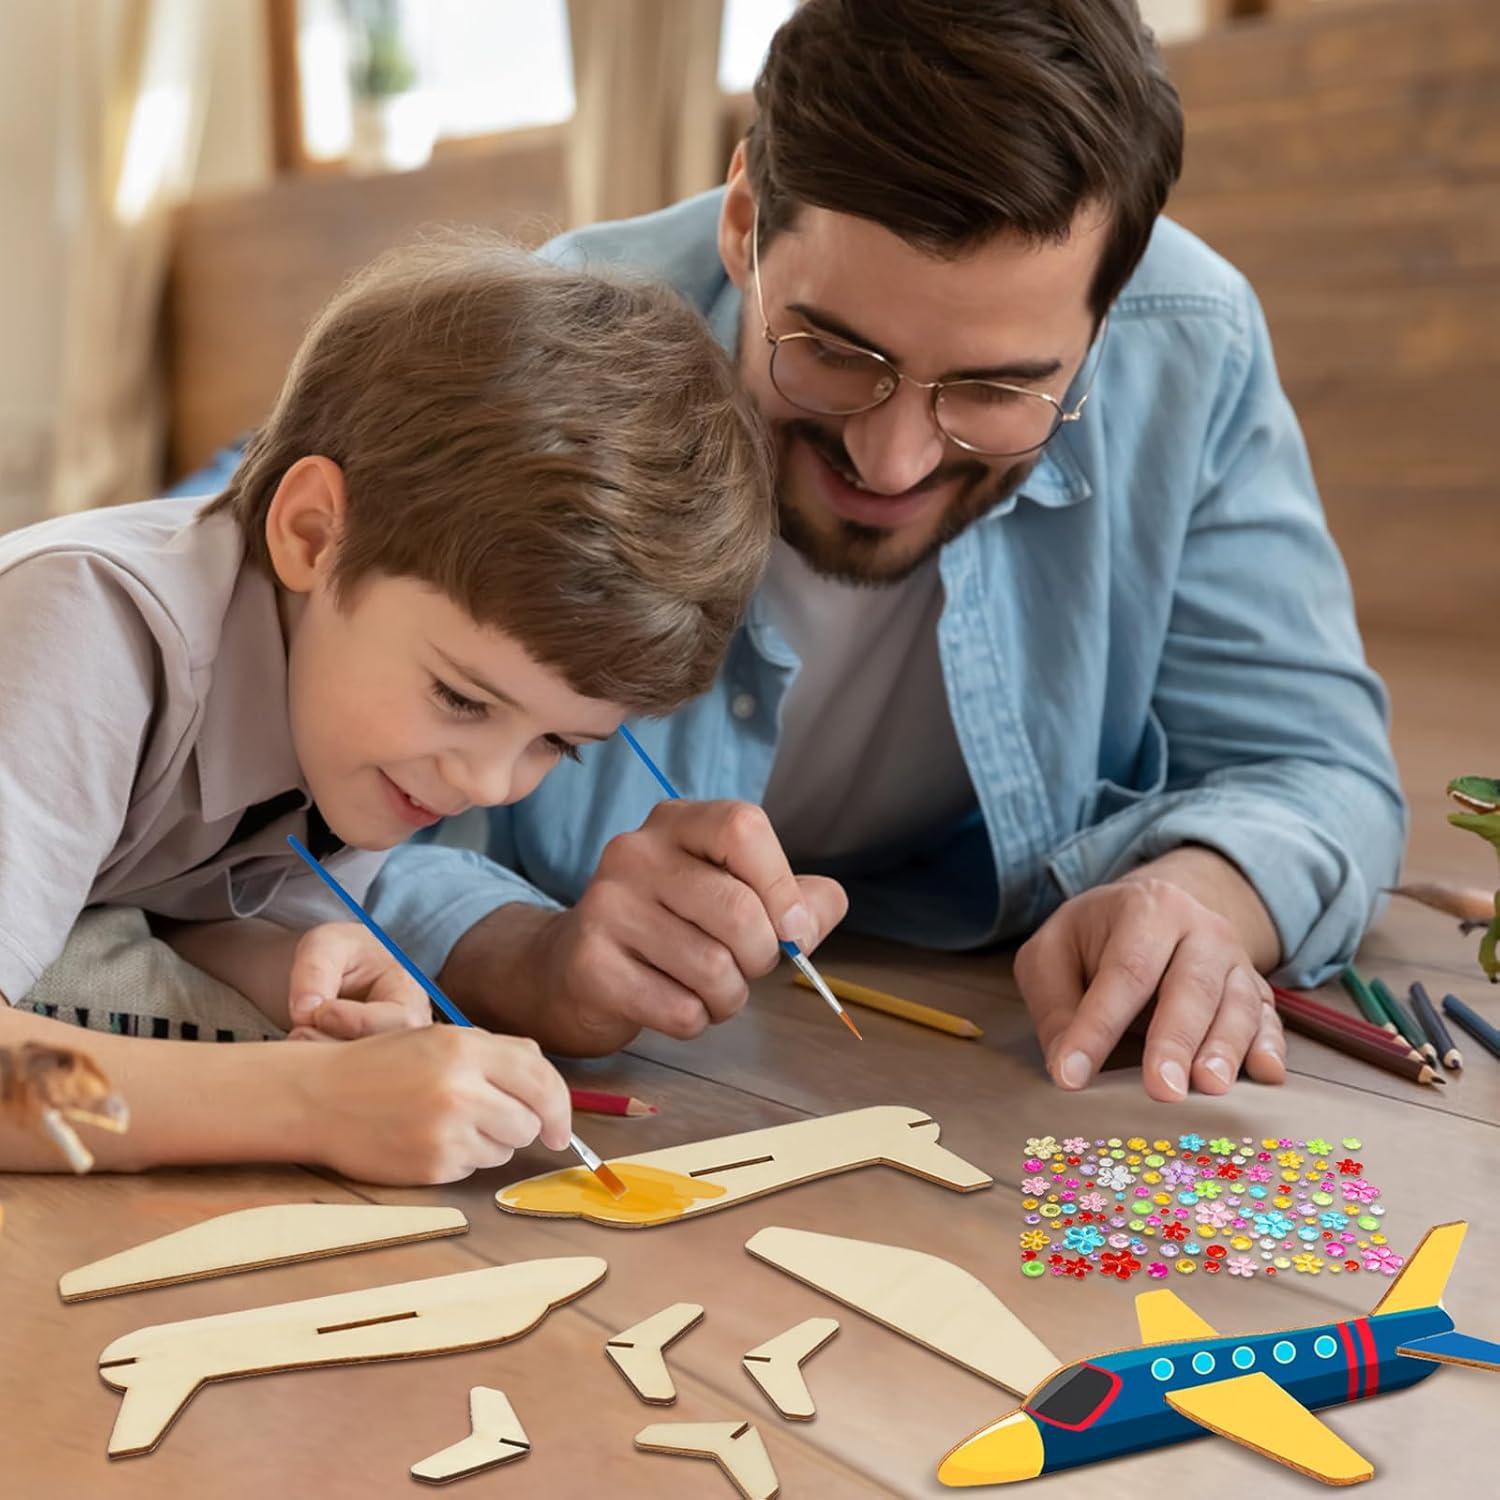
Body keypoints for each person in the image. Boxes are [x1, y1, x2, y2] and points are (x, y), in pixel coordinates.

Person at [376, 0, 1402, 1105]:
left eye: (997, 389)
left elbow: (1314, 766)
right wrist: (526, 955)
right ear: (741, 221)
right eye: (834, 352)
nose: (893, 460)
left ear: (1105, 320)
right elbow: (270, 823)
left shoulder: (1190, 344)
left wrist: (1204, 892)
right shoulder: (530, 366)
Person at [0, 237, 773, 1181]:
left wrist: (294, 970)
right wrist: (311, 1106)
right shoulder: (90, 630)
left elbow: (166, 900)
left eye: (556, 746)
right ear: (314, 535)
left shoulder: (347, 705)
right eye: (460, 696)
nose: (487, 782)